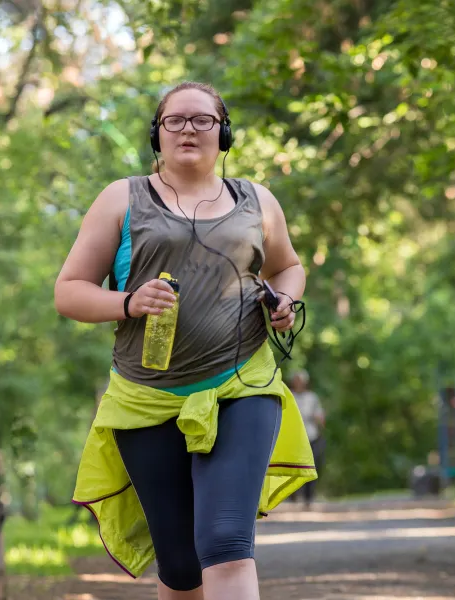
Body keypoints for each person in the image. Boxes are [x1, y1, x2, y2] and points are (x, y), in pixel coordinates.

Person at [54, 81, 317, 600]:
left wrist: (284, 302)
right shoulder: (120, 198)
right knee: (179, 564)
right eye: (175, 120)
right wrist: (128, 302)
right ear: (158, 134)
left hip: (241, 387)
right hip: (145, 398)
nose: (188, 130)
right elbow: (69, 292)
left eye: (203, 120)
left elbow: (288, 266)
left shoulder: (256, 200)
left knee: (225, 540)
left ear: (225, 134)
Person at [289, 370, 325, 509]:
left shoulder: (312, 397)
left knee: (312, 465)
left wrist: (320, 420)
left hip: (311, 436)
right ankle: (293, 495)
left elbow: (319, 415)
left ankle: (308, 497)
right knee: (294, 466)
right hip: (294, 437)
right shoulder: (289, 395)